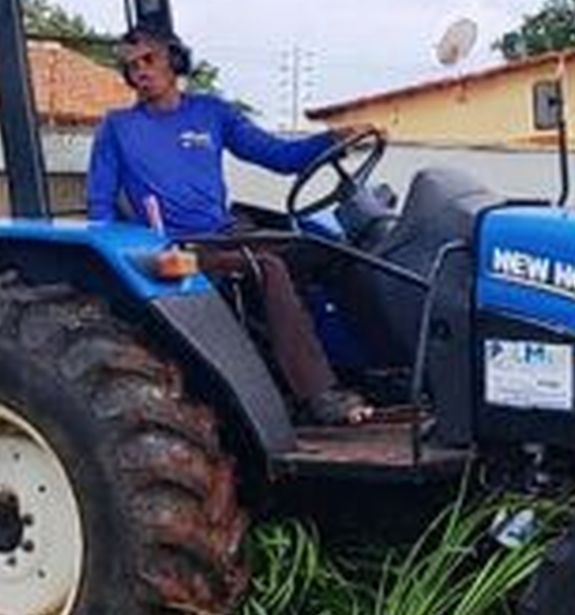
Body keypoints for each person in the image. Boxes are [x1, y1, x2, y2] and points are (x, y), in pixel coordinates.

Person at [86, 25, 370, 425]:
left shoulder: (211, 113)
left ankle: (369, 370)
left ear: (175, 60)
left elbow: (279, 156)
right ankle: (318, 394)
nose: (141, 73)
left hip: (222, 233)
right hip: (173, 254)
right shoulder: (117, 127)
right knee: (265, 266)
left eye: (149, 60)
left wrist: (331, 139)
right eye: (131, 67)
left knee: (321, 250)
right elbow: (99, 206)